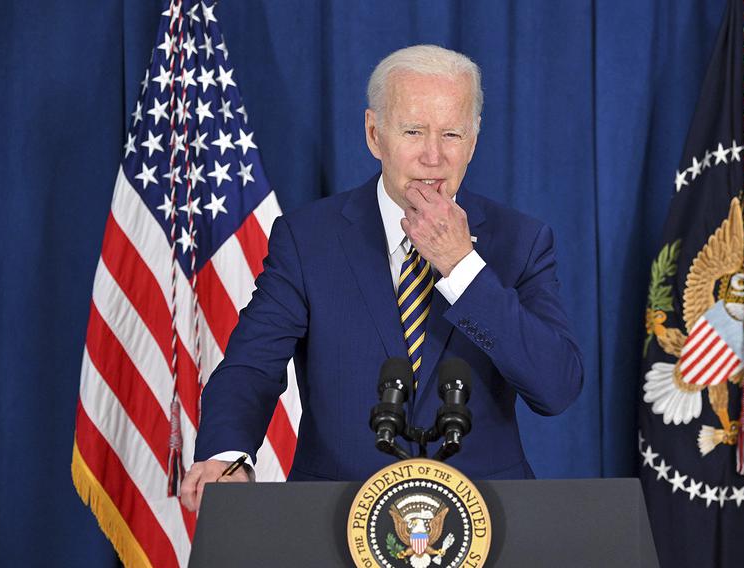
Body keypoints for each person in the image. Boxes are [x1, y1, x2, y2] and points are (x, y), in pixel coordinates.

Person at [180, 45, 583, 512]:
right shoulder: (308, 239)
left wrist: (462, 267)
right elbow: (253, 364)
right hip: (336, 516)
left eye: (451, 134)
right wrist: (227, 455)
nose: (433, 156)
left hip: (486, 519)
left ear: (472, 143)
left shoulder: (522, 241)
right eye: (414, 131)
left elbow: (556, 387)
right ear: (375, 134)